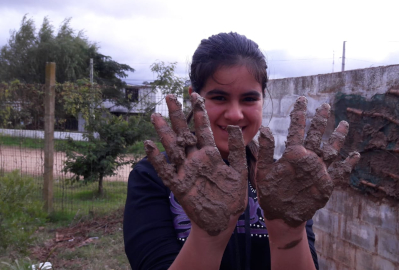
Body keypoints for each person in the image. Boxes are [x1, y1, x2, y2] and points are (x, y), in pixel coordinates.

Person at [123, 32, 359, 270]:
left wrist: (289, 234)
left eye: (248, 99)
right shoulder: (153, 177)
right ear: (194, 97)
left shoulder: (283, 182)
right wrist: (208, 236)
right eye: (219, 97)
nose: (235, 114)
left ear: (263, 99)